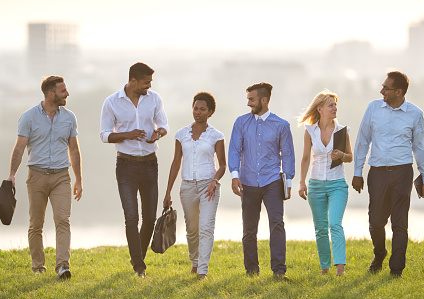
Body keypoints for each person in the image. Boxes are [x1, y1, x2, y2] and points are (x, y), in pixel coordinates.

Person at [352, 71, 424, 278]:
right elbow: (362, 141)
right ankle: (380, 254)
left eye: (386, 88)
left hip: (402, 173)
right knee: (376, 222)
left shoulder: (415, 114)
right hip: (377, 173)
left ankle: (396, 269)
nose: (382, 91)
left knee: (399, 223)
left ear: (399, 91)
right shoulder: (373, 108)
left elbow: (420, 148)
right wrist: (357, 172)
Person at [7, 75, 83, 279]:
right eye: (63, 91)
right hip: (37, 177)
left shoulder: (69, 117)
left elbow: (74, 150)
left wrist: (78, 179)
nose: (67, 94)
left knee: (62, 220)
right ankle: (38, 267)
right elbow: (19, 149)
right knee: (36, 223)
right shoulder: (28, 117)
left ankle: (62, 266)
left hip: (61, 177)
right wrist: (12, 174)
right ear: (51, 94)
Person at [100, 62, 168, 278]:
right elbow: (104, 135)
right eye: (146, 83)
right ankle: (139, 266)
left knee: (149, 218)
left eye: (150, 83)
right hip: (126, 166)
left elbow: (163, 124)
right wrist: (127, 135)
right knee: (131, 217)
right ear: (133, 81)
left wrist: (158, 134)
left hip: (150, 163)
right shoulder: (111, 102)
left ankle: (137, 257)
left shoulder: (155, 99)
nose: (149, 86)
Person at [228, 82, 295, 279]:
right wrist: (234, 176)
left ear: (264, 100)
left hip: (273, 182)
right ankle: (251, 271)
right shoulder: (241, 123)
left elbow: (288, 155)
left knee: (277, 224)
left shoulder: (281, 125)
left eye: (251, 99)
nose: (248, 103)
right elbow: (234, 150)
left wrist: (288, 182)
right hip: (247, 182)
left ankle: (279, 271)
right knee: (249, 229)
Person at [163, 92, 226, 280]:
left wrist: (214, 181)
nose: (198, 112)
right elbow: (176, 163)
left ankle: (202, 271)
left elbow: (222, 165)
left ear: (210, 112)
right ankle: (195, 262)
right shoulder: (181, 134)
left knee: (206, 227)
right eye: (195, 108)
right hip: (187, 186)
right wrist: (168, 192)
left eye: (202, 109)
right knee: (192, 228)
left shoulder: (216, 135)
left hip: (209, 186)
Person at [298, 89, 353, 276]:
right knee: (320, 228)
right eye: (331, 105)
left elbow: (350, 157)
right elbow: (305, 158)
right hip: (315, 185)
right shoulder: (310, 131)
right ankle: (324, 268)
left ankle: (340, 268)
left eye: (336, 105)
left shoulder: (342, 131)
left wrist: (342, 155)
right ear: (320, 109)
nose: (335, 108)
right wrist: (302, 183)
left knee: (334, 224)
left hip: (337, 184)